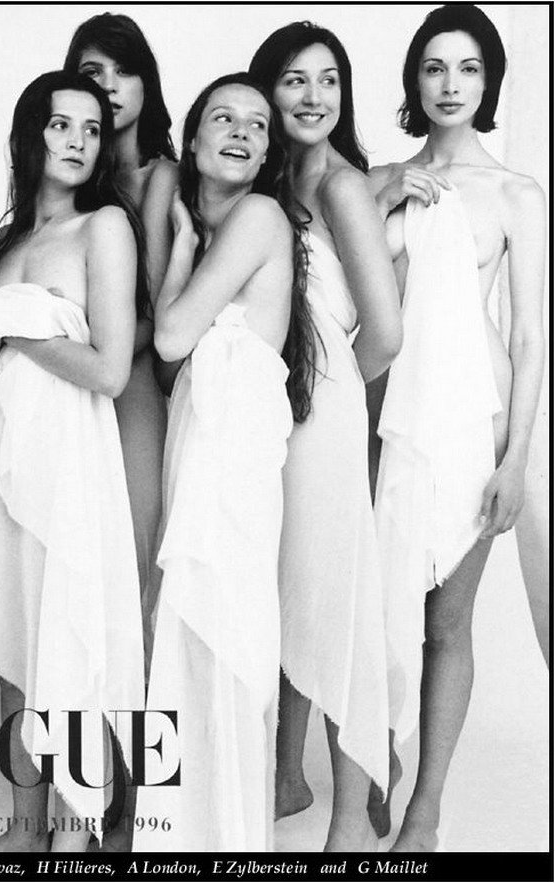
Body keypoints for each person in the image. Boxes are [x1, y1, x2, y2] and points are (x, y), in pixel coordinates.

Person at [368, 4, 545, 852]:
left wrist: (518, 460)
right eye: (435, 67)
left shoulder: (515, 193)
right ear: (415, 79)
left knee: (446, 621)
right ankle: (373, 761)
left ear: (489, 82)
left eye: (469, 68)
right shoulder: (379, 177)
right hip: (385, 416)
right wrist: (381, 198)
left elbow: (529, 334)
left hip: (475, 421)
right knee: (377, 608)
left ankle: (425, 809)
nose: (450, 84)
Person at [0, 70, 146, 853]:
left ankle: (73, 834)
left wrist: (20, 332)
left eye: (92, 129)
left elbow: (110, 370)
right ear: (31, 134)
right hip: (5, 451)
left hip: (70, 455)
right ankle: (23, 828)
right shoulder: (5, 242)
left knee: (66, 632)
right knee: (13, 639)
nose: (77, 142)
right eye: (61, 125)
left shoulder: (105, 227)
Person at [134, 72, 314, 852]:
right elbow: (168, 363)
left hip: (236, 458)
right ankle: (181, 834)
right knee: (188, 627)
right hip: (199, 446)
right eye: (223, 118)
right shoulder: (211, 237)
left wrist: (177, 249)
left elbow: (172, 335)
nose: (241, 132)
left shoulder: (259, 216)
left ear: (269, 152)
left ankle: (228, 839)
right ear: (194, 139)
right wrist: (180, 243)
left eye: (257, 124)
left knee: (228, 631)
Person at [249, 22, 402, 851]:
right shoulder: (270, 178)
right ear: (266, 90)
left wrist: (327, 388)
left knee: (335, 599)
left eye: (329, 80)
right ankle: (286, 777)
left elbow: (385, 331)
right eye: (295, 80)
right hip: (272, 407)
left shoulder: (342, 186)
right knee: (285, 588)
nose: (314, 97)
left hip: (322, 408)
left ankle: (349, 820)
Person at [63, 11, 178, 680]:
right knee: (74, 574)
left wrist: (90, 359)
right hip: (73, 383)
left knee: (134, 571)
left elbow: (158, 310)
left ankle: (137, 748)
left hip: (133, 382)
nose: (107, 84)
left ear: (145, 85)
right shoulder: (69, 174)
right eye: (91, 72)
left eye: (123, 70)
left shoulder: (161, 176)